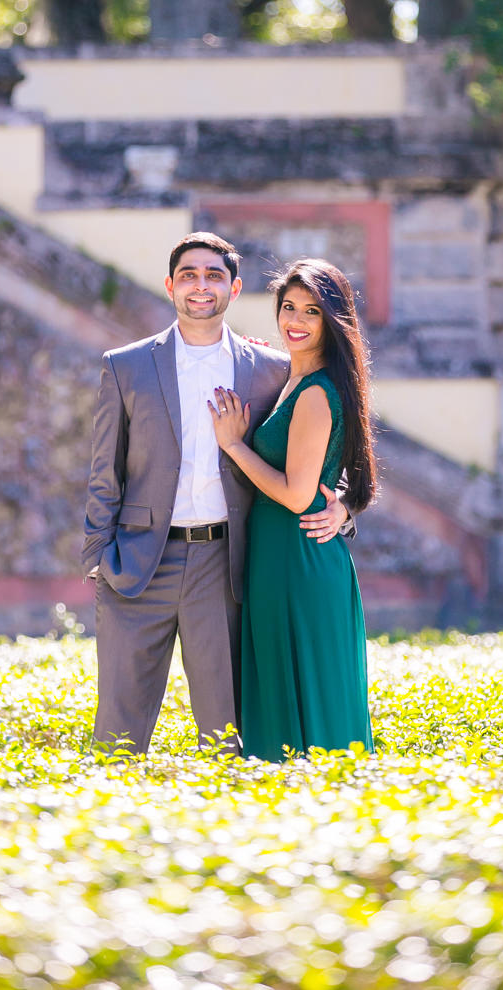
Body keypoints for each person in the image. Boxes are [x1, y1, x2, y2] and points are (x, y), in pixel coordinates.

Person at [82, 233, 351, 754]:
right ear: (169, 285)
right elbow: (103, 471)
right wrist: (98, 557)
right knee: (117, 734)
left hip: (226, 566)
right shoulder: (126, 366)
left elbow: (319, 446)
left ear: (235, 287)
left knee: (226, 736)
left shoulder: (272, 370)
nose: (200, 286)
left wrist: (341, 505)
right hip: (137, 565)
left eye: (213, 275)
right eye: (189, 274)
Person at [208, 258, 376, 760]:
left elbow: (298, 495)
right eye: (288, 308)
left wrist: (235, 446)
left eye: (312, 312)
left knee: (310, 712)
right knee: (287, 698)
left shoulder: (317, 394)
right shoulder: (293, 379)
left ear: (334, 321)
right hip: (284, 560)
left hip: (299, 565)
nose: (295, 322)